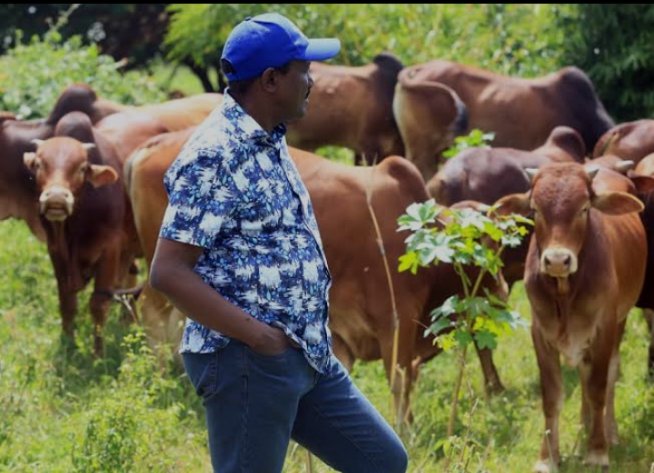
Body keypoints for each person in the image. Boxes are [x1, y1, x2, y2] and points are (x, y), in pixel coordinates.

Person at [149, 12, 408, 473]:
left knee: (383, 461)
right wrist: (259, 338)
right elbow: (168, 271)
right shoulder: (215, 154)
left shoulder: (268, 138)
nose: (313, 81)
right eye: (303, 70)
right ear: (271, 80)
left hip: (306, 352)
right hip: (248, 361)